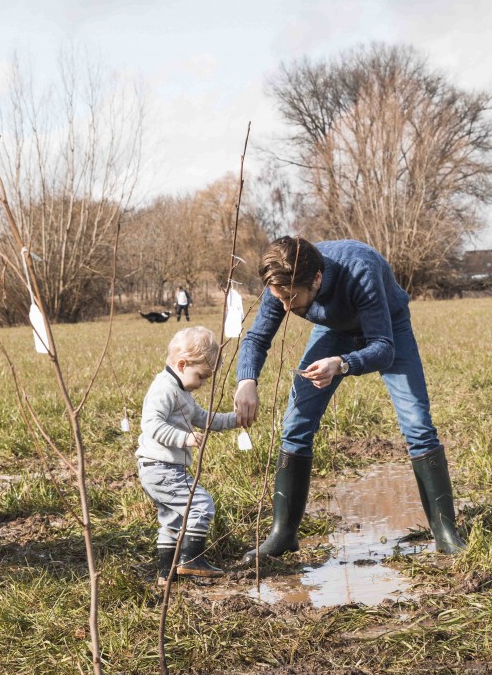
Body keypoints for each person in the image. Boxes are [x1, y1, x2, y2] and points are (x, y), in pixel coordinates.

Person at [234, 236, 466, 561]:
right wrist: (247, 381)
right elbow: (257, 337)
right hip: (333, 331)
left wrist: (342, 364)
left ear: (316, 279)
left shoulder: (360, 269)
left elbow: (383, 349)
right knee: (296, 423)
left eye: (291, 299)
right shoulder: (281, 282)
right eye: (279, 298)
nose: (285, 306)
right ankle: (283, 534)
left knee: (417, 425)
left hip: (388, 328)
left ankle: (446, 534)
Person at [136, 326, 242, 585]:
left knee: (173, 519)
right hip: (161, 468)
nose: (202, 383)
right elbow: (151, 424)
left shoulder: (181, 391)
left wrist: (235, 419)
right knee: (201, 504)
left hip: (163, 469)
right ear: (182, 364)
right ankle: (191, 560)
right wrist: (183, 438)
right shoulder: (165, 388)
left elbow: (203, 418)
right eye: (201, 376)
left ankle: (166, 573)